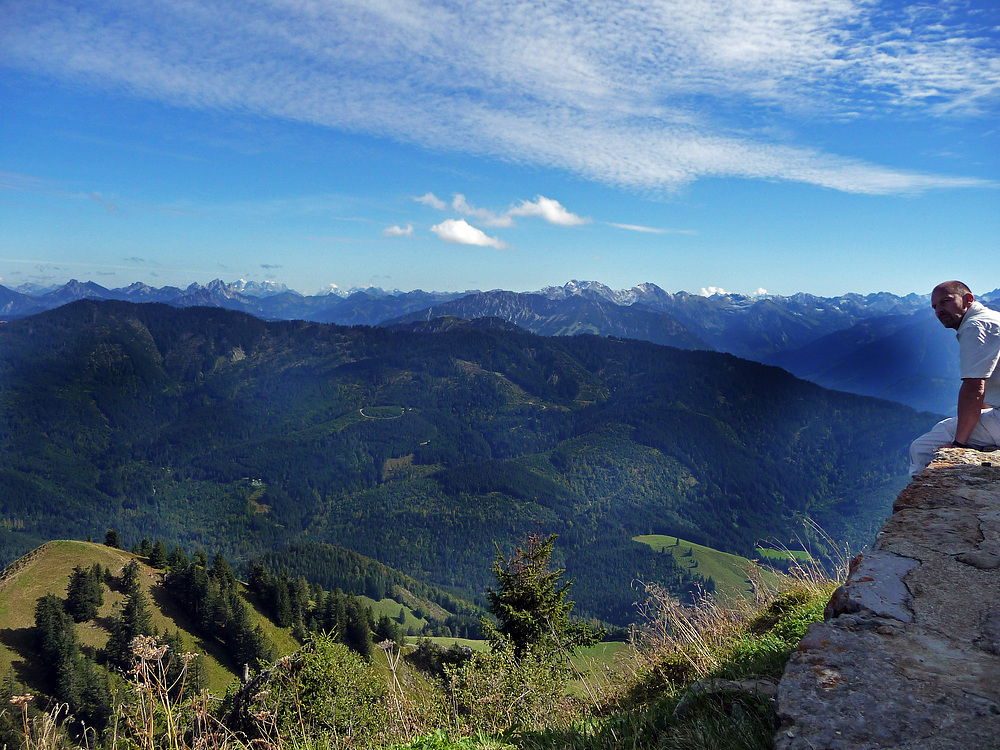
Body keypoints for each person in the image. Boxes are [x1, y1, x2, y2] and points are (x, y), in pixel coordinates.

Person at [909, 280, 1000, 475]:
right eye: (935, 306)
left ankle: (927, 500)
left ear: (968, 299)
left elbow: (974, 388)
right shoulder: (992, 318)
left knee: (922, 448)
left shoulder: (975, 328)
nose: (939, 311)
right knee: (943, 426)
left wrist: (959, 445)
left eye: (945, 301)